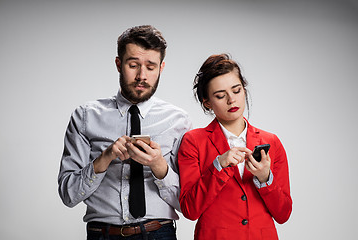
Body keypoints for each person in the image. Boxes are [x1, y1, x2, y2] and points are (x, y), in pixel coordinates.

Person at [58, 25, 192, 240]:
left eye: (151, 67)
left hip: (159, 233)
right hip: (102, 234)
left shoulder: (179, 120)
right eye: (133, 65)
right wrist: (104, 159)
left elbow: (188, 203)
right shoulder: (85, 117)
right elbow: (68, 194)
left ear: (161, 68)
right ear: (118, 64)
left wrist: (159, 166)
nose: (142, 76)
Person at [178, 54, 292, 239]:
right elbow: (190, 210)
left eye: (237, 91)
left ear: (244, 90)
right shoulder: (193, 141)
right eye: (220, 96)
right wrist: (218, 166)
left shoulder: (272, 141)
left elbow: (283, 214)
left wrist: (265, 178)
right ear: (207, 102)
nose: (231, 100)